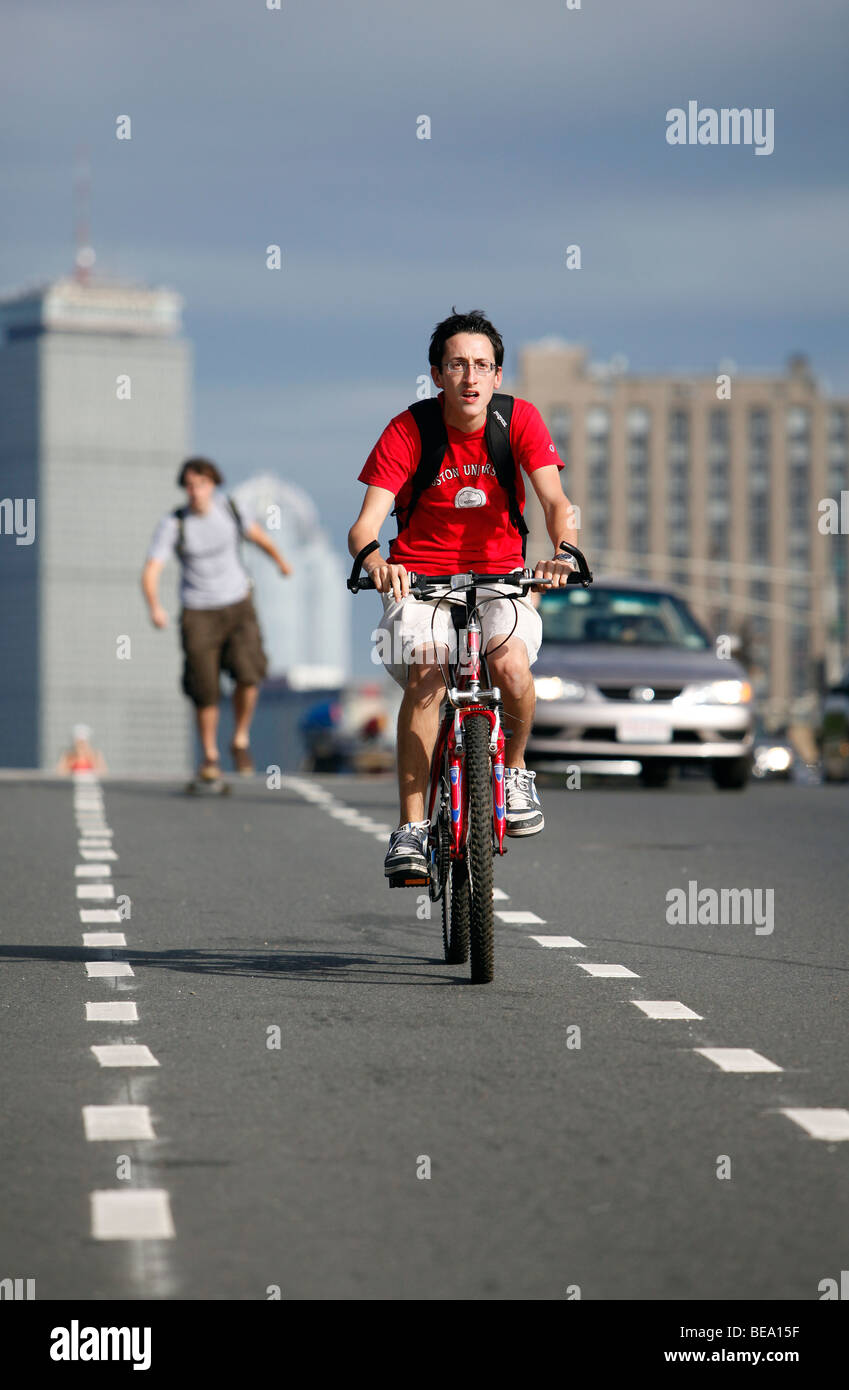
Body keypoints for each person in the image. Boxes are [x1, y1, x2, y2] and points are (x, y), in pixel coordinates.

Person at [347, 308, 579, 878]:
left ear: (498, 376)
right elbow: (364, 525)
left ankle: (517, 772)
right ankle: (410, 827)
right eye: (457, 365)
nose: (470, 377)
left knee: (513, 667)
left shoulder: (519, 421)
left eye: (482, 365)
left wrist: (564, 554)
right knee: (428, 673)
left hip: (502, 578)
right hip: (418, 581)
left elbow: (555, 503)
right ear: (436, 374)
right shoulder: (410, 430)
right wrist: (375, 562)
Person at [142, 457, 292, 781]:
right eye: (190, 486)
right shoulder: (175, 523)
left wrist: (281, 562)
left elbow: (259, 537)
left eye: (202, 485)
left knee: (249, 673)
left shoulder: (230, 511)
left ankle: (240, 737)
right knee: (204, 687)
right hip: (198, 611)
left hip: (238, 603)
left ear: (213, 485)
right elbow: (152, 568)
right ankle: (210, 755)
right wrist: (154, 605)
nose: (196, 492)